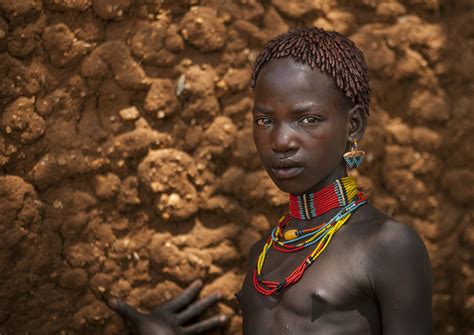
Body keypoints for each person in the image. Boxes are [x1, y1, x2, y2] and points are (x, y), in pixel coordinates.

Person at [111, 27, 433, 334]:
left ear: (354, 126)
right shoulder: (263, 253)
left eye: (307, 119)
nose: (281, 140)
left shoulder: (388, 247)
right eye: (264, 120)